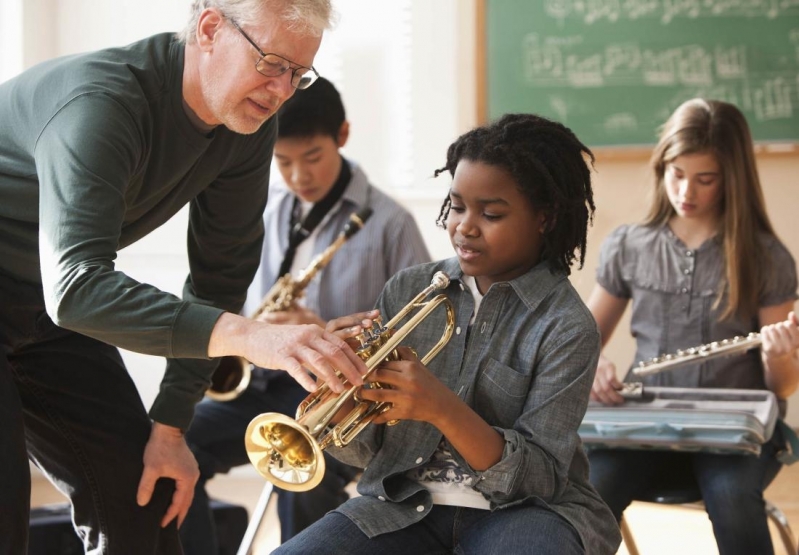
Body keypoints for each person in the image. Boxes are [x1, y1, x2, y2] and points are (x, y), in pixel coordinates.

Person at [0, 1, 373, 553]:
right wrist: (253, 336)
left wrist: (171, 428)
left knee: (146, 499)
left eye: (298, 74)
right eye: (271, 62)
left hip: (43, 307)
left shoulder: (246, 123)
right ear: (210, 29)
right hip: (58, 296)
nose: (280, 91)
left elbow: (220, 276)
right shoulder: (101, 103)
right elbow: (77, 288)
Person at [271, 113, 623, 555]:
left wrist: (442, 408)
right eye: (457, 206)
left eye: (491, 213)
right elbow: (369, 452)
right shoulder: (407, 288)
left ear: (545, 219)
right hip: (399, 507)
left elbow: (540, 479)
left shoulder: (567, 325)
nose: (464, 226)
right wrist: (341, 388)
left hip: (526, 513)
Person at [179, 76, 431, 552]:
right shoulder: (268, 208)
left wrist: (319, 331)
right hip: (265, 386)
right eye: (283, 161)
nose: (298, 176)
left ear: (342, 136)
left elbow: (422, 330)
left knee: (303, 479)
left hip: (343, 401)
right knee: (173, 446)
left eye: (312, 157)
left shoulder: (391, 222)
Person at [586, 98, 799, 555]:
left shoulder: (764, 257)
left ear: (732, 179)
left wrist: (780, 355)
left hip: (736, 432)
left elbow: (780, 388)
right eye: (676, 174)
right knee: (586, 495)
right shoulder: (630, 245)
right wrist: (593, 364)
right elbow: (579, 341)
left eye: (706, 179)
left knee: (732, 499)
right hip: (645, 425)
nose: (687, 191)